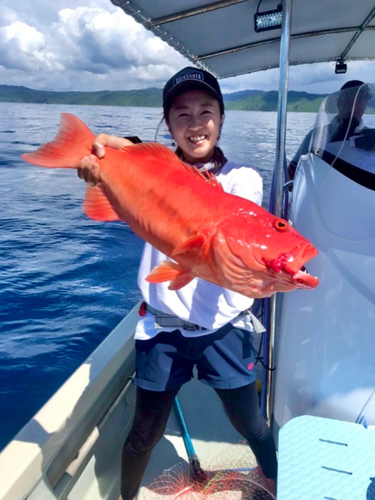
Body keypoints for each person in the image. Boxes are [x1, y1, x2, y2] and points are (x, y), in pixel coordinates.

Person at [78, 66, 278, 499]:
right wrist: (118, 162)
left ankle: (275, 484)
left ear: (221, 119)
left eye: (205, 111)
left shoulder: (242, 180)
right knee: (143, 435)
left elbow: (212, 212)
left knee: (252, 425)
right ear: (168, 124)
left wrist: (131, 154)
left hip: (222, 329)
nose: (195, 124)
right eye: (181, 114)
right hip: (162, 329)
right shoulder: (148, 174)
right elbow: (153, 175)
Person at [288, 80, 373, 180]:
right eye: (349, 99)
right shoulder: (315, 136)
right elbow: (291, 172)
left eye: (359, 100)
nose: (354, 105)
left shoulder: (370, 137)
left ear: (365, 105)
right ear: (339, 103)